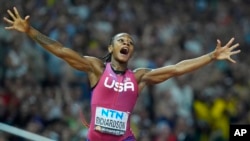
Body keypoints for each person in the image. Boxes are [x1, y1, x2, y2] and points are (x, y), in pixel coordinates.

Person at [3, 7, 241, 141]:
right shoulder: (97, 68)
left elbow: (177, 69)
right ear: (111, 48)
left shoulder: (138, 77)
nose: (126, 42)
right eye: (121, 40)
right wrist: (30, 31)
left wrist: (211, 56)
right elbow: (63, 51)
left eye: (130, 41)